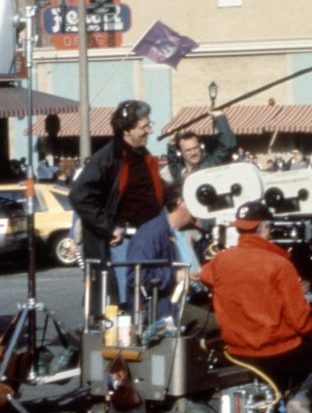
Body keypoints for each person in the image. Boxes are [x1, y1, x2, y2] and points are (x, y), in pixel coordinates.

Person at [200, 201, 312, 413]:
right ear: (265, 227)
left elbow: (204, 276)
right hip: (275, 350)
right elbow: (300, 321)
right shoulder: (280, 265)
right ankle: (301, 402)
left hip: (237, 349)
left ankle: (308, 405)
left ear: (239, 229)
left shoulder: (220, 261)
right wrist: (310, 330)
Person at [70, 100, 164, 311]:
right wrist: (108, 227)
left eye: (149, 124)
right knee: (126, 301)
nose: (150, 130)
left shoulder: (141, 153)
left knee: (147, 299)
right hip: (123, 242)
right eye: (144, 127)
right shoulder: (108, 157)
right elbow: (79, 195)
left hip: (146, 237)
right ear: (126, 130)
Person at [126, 181, 193, 322]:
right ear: (179, 202)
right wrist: (175, 275)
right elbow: (137, 278)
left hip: (186, 301)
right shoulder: (150, 234)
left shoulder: (190, 232)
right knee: (220, 322)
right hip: (163, 309)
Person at [161, 109, 235, 183]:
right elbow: (172, 161)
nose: (193, 153)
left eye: (195, 148)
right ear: (181, 153)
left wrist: (219, 117)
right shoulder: (179, 173)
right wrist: (171, 143)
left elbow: (228, 145)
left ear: (200, 147)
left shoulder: (211, 163)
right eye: (188, 150)